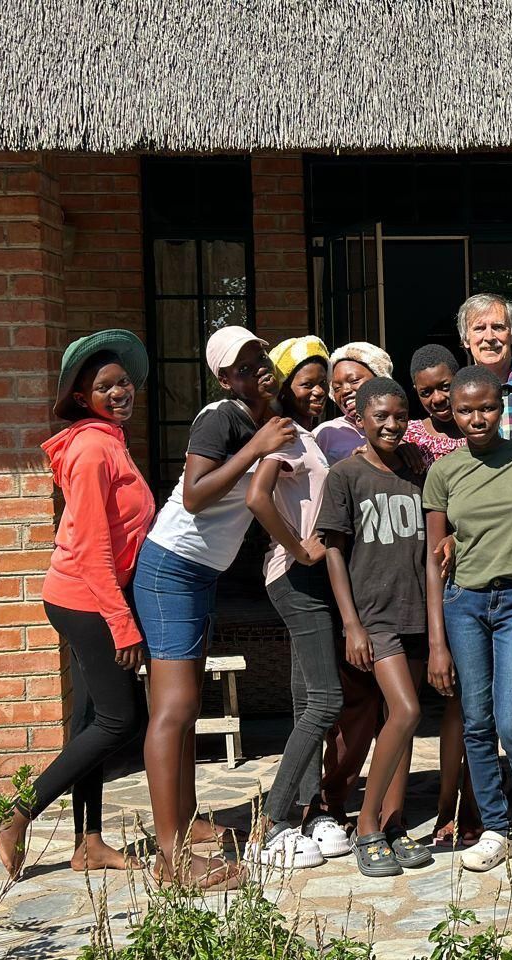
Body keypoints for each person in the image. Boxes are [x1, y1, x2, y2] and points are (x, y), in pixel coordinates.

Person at [133, 325, 294, 888]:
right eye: (243, 366)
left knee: (184, 704)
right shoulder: (220, 417)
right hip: (172, 566)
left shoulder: (262, 418)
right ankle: (171, 857)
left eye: (259, 358)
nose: (257, 370)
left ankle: (188, 821)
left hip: (199, 573)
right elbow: (196, 495)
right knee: (172, 709)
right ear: (224, 377)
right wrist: (255, 449)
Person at [0, 331, 154, 879]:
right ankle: (20, 814)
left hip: (89, 597)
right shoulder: (90, 449)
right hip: (86, 600)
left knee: (93, 718)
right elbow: (90, 548)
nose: (118, 392)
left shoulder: (110, 440)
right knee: (119, 721)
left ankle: (89, 842)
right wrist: (123, 623)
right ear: (83, 398)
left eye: (123, 382)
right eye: (104, 386)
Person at [423, 365, 512, 876]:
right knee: (477, 724)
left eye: (485, 408)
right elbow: (433, 559)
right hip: (465, 605)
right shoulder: (444, 472)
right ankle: (496, 830)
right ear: (452, 412)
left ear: (502, 408)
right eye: (465, 410)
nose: (476, 418)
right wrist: (437, 641)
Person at [317, 378, 433, 877]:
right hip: (374, 614)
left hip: (416, 611)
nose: (391, 424)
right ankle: (366, 825)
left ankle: (392, 821)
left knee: (401, 722)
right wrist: (350, 623)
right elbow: (333, 551)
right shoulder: (345, 475)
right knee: (405, 712)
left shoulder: (416, 472)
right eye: (379, 416)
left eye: (399, 415)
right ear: (359, 419)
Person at [243, 336, 347, 870]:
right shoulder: (283, 433)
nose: (316, 393)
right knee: (326, 702)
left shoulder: (306, 437)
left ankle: (307, 813)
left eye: (320, 384)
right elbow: (257, 497)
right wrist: (296, 546)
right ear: (284, 386)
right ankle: (276, 820)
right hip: (294, 578)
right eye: (305, 384)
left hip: (308, 579)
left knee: (307, 697)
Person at [402, 344, 482, 848]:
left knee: (466, 700)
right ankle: (402, 809)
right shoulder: (405, 437)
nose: (437, 398)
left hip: (470, 578)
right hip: (412, 578)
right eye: (426, 390)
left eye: (444, 387)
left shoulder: (481, 433)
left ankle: (462, 803)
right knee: (410, 702)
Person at [312, 341, 392, 833]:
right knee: (353, 701)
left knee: (391, 704)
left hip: (390, 583)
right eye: (337, 383)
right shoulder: (326, 439)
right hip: (343, 584)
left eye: (354, 380)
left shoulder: (399, 434)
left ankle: (385, 802)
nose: (343, 390)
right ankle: (331, 796)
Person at [455, 293, 512, 438]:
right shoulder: (455, 392)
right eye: (479, 328)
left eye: (498, 327)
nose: (489, 337)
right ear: (465, 339)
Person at [313, 341, 393, 465]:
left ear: (380, 378)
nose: (345, 391)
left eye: (354, 380)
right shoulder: (326, 433)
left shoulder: (400, 428)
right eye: (337, 388)